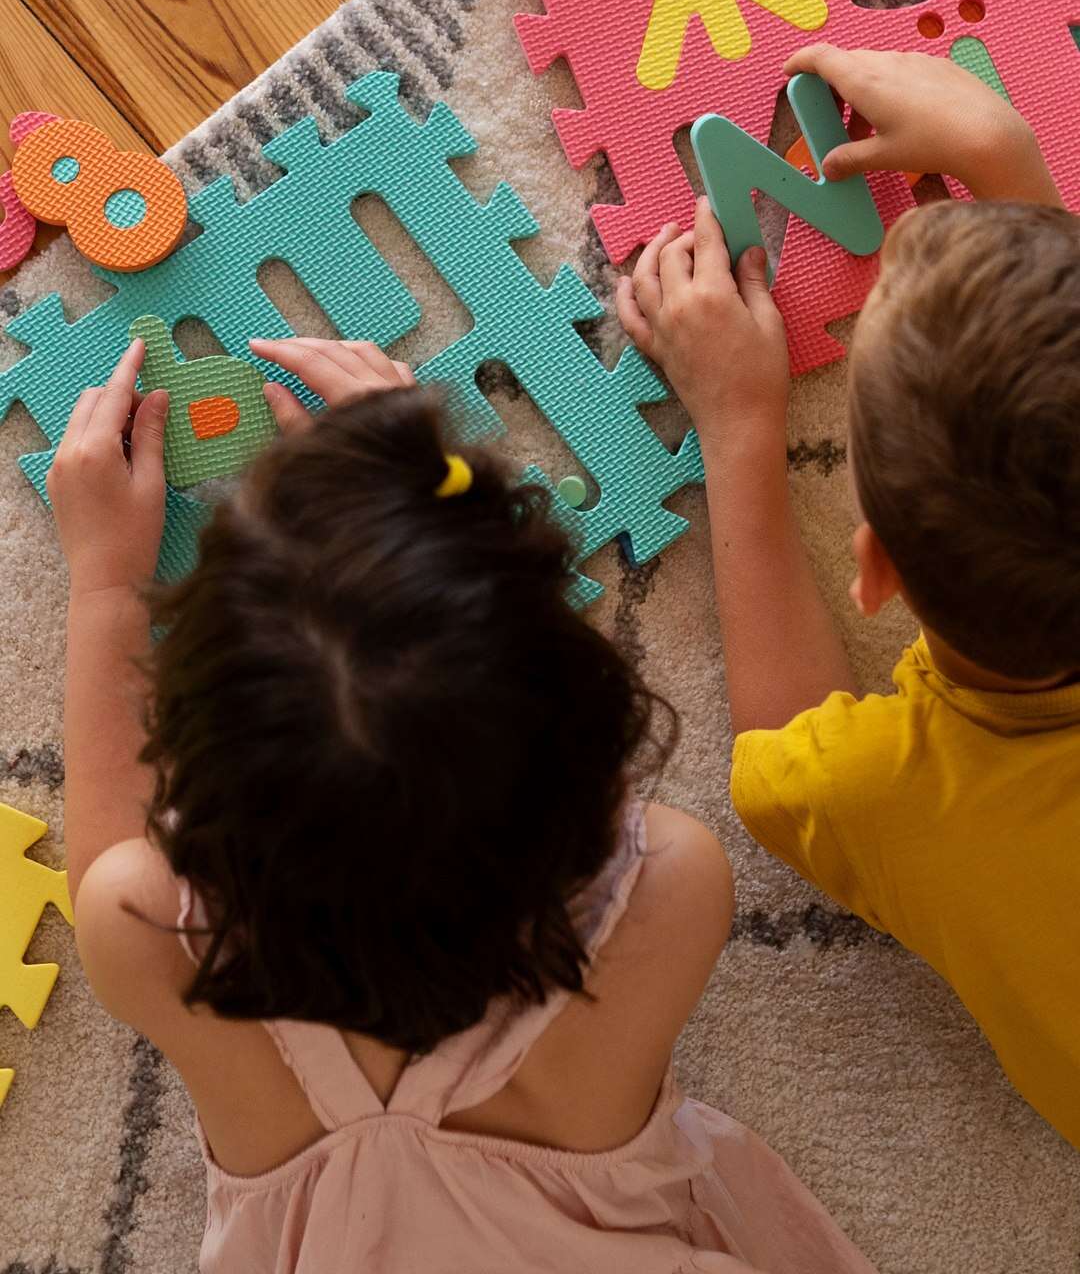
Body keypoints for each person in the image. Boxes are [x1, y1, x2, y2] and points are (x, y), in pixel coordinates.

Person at [54, 334, 876, 1273]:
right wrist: (426, 492)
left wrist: (105, 585)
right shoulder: (670, 894)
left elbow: (107, 868)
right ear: (584, 726)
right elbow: (511, 724)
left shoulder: (144, 937)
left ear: (192, 767)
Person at [618, 44, 1080, 1151]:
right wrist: (1017, 184)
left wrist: (738, 424)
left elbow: (784, 752)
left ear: (872, 569)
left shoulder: (899, 798)